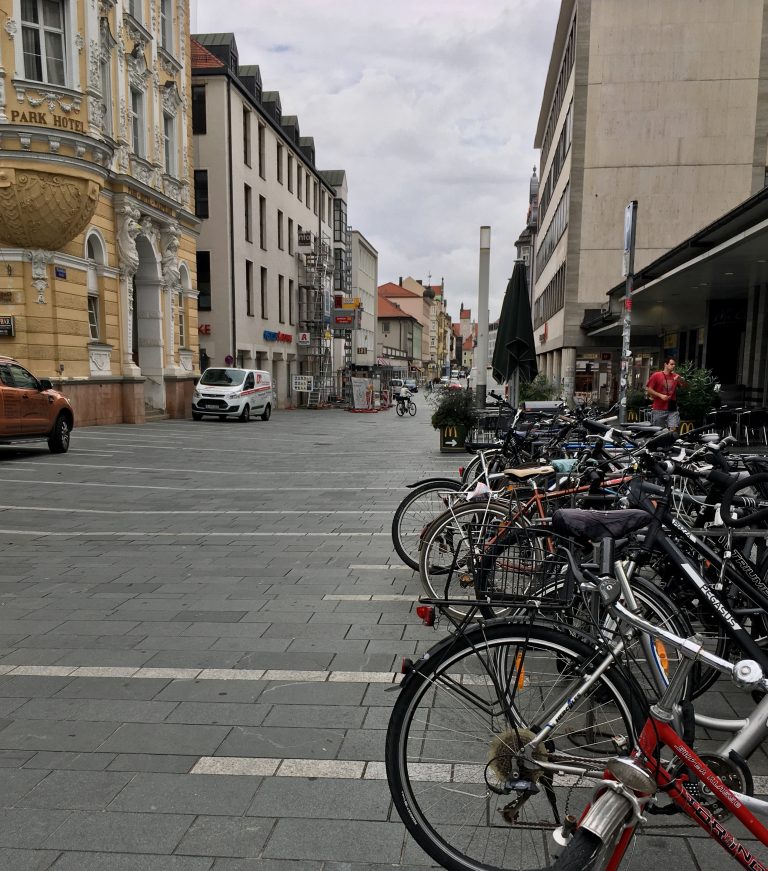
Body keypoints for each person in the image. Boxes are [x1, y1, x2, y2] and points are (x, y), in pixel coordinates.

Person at [646, 356, 683, 431]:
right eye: (671, 364)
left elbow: (685, 386)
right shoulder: (656, 375)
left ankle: (670, 441)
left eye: (674, 364)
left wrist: (681, 379)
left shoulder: (675, 376)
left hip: (672, 408)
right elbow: (649, 389)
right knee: (658, 431)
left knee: (673, 428)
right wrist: (660, 395)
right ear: (665, 364)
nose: (673, 366)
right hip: (659, 408)